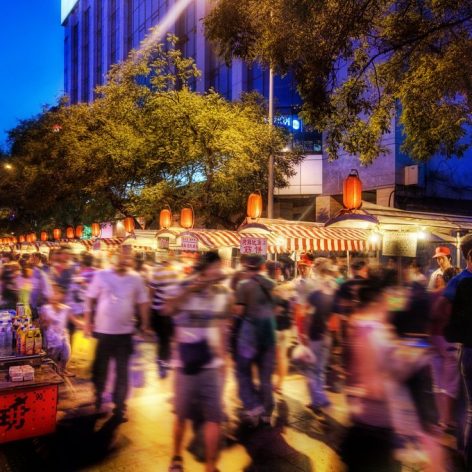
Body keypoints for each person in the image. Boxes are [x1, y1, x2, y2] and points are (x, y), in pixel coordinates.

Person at [164, 251, 230, 472]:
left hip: (211, 365)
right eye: (216, 267)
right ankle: (176, 457)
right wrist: (193, 289)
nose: (219, 271)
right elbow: (168, 309)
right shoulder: (184, 285)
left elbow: (222, 325)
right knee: (181, 415)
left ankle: (210, 466)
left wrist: (224, 359)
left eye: (220, 268)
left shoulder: (220, 292)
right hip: (185, 364)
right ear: (205, 268)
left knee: (214, 417)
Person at [84, 251, 150, 422]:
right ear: (113, 260)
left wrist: (145, 323)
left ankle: (119, 407)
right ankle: (98, 394)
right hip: (103, 332)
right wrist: (87, 322)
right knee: (100, 369)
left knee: (122, 371)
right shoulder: (101, 275)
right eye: (120, 259)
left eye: (126, 258)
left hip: (124, 334)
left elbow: (143, 302)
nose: (123, 261)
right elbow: (89, 298)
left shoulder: (136, 278)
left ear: (130, 261)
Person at [234, 255, 276, 427]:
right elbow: (275, 307)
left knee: (243, 372)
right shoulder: (272, 284)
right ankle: (267, 412)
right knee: (266, 376)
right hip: (268, 333)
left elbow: (239, 311)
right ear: (263, 266)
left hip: (250, 335)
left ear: (247, 266)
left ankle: (253, 406)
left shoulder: (243, 285)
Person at [443, 234, 472, 469]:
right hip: (465, 348)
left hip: (464, 348)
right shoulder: (460, 281)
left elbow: (441, 310)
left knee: (464, 403)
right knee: (465, 404)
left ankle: (462, 448)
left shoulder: (457, 281)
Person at [302, 258, 337, 416]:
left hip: (315, 333)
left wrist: (304, 332)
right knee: (320, 369)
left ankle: (319, 399)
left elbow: (307, 312)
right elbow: (336, 315)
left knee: (310, 369)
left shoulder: (314, 288)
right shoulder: (334, 288)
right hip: (327, 334)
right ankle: (317, 400)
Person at [429, 267, 460, 433]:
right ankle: (448, 419)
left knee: (438, 382)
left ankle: (441, 419)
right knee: (451, 382)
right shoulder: (455, 296)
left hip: (434, 340)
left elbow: (429, 317)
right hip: (449, 340)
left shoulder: (433, 294)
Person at [41, 284, 82, 375]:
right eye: (52, 293)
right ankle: (52, 372)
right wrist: (46, 322)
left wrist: (85, 325)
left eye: (56, 293)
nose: (54, 296)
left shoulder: (66, 309)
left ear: (62, 295)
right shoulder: (45, 308)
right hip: (51, 338)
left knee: (66, 354)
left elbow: (75, 320)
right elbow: (42, 324)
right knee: (52, 357)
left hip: (63, 336)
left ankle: (62, 370)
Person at [149, 258, 180, 378]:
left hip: (160, 310)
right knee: (166, 339)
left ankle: (162, 361)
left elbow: (151, 292)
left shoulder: (157, 272)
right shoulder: (175, 271)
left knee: (163, 339)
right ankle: (163, 361)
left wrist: (149, 310)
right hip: (168, 310)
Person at [266, 261, 292, 394]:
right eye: (279, 270)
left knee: (270, 356)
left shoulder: (269, 287)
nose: (280, 271)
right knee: (282, 357)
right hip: (285, 326)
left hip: (273, 327)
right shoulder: (286, 287)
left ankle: (270, 382)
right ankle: (279, 385)